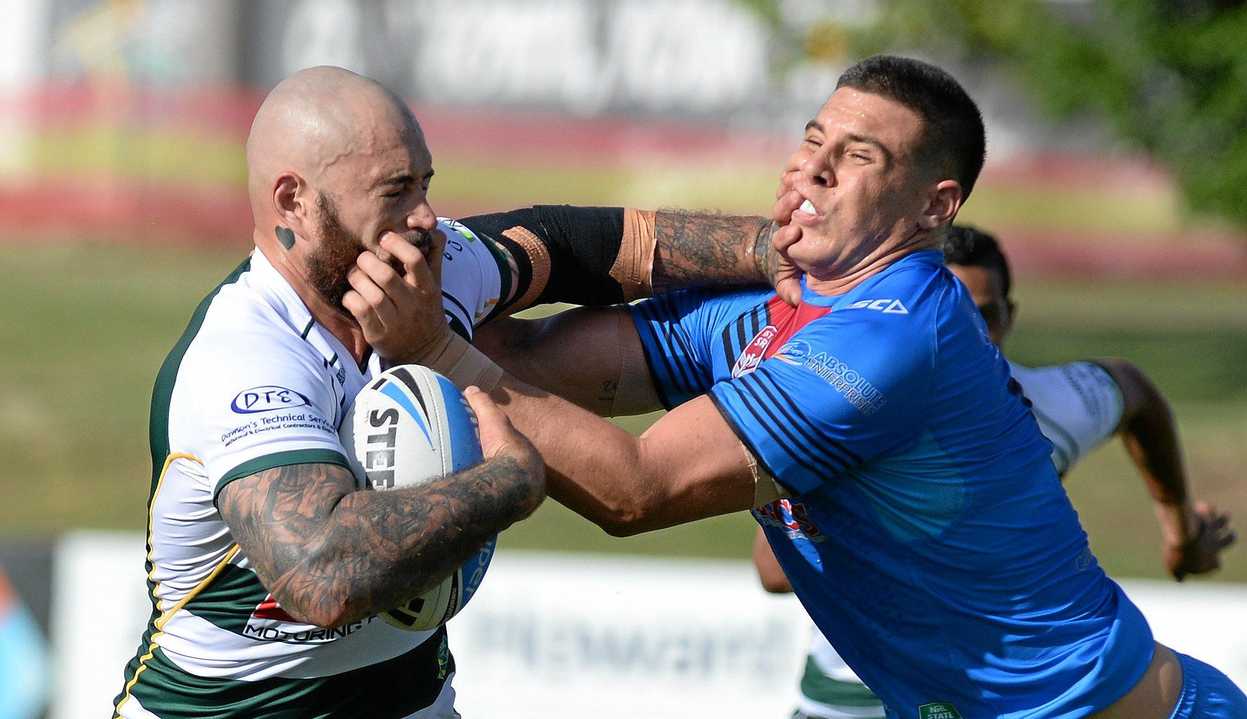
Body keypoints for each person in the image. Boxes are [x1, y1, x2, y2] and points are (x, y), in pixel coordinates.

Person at [385, 55, 1247, 717]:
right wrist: (424, 258)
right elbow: (528, 364)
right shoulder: (763, 313)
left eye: (860, 156)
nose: (815, 168)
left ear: (933, 207)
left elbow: (636, 490)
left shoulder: (892, 341)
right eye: (813, 140)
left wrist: (434, 343)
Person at [111, 66, 783, 719]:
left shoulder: (421, 273)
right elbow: (323, 575)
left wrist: (777, 248)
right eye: (396, 189)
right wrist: (510, 483)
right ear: (294, 201)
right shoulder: (245, 356)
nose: (427, 215)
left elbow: (586, 243)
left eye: (425, 183)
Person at [751, 223, 1239, 719]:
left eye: (983, 316)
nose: (967, 334)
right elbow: (772, 571)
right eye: (945, 311)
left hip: (1003, 695)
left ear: (1011, 316)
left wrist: (1181, 532)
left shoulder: (1054, 405)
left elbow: (1136, 395)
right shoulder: (845, 414)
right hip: (855, 693)